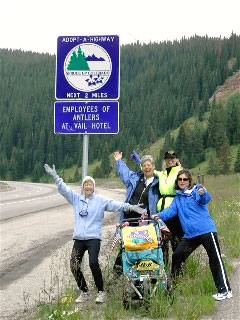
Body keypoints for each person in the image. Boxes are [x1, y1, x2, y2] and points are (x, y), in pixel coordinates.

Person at [44, 164, 146, 304]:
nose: (88, 187)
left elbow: (117, 204)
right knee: (74, 264)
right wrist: (55, 177)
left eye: (90, 184)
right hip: (79, 238)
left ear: (94, 187)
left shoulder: (100, 201)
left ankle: (101, 291)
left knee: (93, 263)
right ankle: (84, 291)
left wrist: (131, 207)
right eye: (86, 184)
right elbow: (64, 190)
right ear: (83, 187)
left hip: (94, 238)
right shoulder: (76, 199)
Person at [151, 169, 233, 301]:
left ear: (189, 181)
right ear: (177, 182)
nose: (182, 181)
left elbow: (205, 199)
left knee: (215, 259)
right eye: (180, 179)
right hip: (191, 235)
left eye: (185, 179)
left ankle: (225, 290)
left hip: (206, 231)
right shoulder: (178, 199)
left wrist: (203, 192)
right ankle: (174, 287)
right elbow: (169, 212)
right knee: (177, 256)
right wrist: (157, 215)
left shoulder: (196, 191)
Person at [131, 150, 184, 265]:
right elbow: (149, 169)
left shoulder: (181, 172)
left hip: (175, 214)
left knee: (176, 244)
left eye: (172, 158)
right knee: (162, 245)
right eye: (168, 158)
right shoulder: (162, 174)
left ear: (177, 159)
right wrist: (140, 161)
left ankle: (179, 273)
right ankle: (163, 272)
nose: (170, 160)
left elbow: (187, 186)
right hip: (161, 214)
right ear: (165, 160)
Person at [113, 152, 160, 274]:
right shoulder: (135, 178)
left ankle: (144, 273)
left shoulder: (158, 183)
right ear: (142, 167)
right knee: (126, 246)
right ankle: (118, 274)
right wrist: (119, 161)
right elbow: (125, 173)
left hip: (145, 222)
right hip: (128, 220)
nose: (147, 167)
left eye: (149, 165)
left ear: (154, 166)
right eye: (144, 165)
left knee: (143, 247)